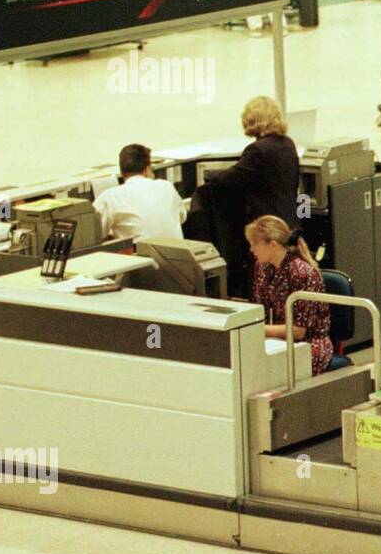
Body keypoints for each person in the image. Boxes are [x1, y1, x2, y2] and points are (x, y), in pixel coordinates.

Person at [204, 96, 301, 296]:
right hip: (289, 220)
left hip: (267, 227)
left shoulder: (257, 149)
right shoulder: (287, 144)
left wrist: (209, 174)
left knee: (264, 281)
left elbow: (232, 177)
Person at [245, 215, 333, 375]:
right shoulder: (262, 268)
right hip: (275, 339)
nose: (251, 249)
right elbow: (260, 309)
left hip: (309, 344)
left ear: (272, 245)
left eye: (254, 244)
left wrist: (260, 330)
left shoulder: (302, 273)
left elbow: (298, 331)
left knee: (264, 371)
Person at [94, 144, 186, 242]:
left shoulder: (110, 196)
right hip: (178, 254)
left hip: (142, 255)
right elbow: (181, 217)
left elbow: (92, 234)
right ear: (146, 170)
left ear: (121, 172)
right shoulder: (167, 186)